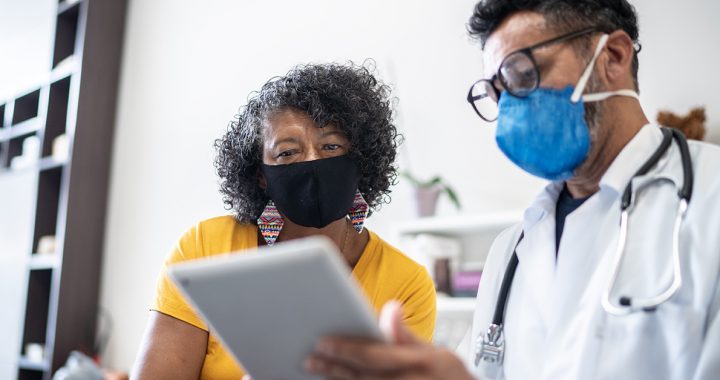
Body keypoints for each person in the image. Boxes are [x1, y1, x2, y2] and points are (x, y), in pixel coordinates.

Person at [305, 1, 720, 379]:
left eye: (522, 76)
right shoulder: (511, 253)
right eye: (496, 92)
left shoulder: (708, 201)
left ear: (612, 57)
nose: (508, 110)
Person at [131, 63, 437, 379]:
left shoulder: (407, 284)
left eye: (330, 146)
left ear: (360, 161)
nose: (312, 162)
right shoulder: (205, 248)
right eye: (288, 153)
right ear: (261, 176)